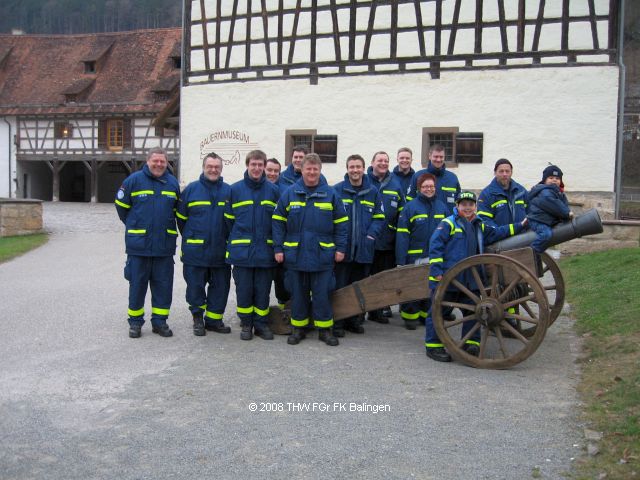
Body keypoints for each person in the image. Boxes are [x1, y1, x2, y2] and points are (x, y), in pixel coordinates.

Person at [425, 191, 526, 362]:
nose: (468, 208)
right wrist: (437, 272)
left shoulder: (480, 225)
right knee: (438, 311)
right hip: (449, 277)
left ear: (475, 207)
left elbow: (497, 233)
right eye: (464, 204)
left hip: (470, 279)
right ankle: (433, 346)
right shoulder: (448, 223)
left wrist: (520, 226)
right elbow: (435, 247)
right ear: (457, 206)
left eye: (471, 205)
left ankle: (471, 343)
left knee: (472, 310)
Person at [272, 153, 348, 346]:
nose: (312, 172)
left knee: (322, 294)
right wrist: (278, 248)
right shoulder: (290, 193)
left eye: (315, 169)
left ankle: (324, 330)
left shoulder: (331, 194)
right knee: (298, 294)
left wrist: (340, 248)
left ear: (320, 170)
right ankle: (298, 329)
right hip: (295, 254)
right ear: (302, 170)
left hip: (322, 255)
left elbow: (341, 224)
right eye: (308, 168)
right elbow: (278, 221)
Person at [115, 147, 180, 338]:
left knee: (163, 286)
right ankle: (135, 323)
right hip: (139, 247)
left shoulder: (172, 183)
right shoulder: (133, 181)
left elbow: (177, 210)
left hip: (164, 247)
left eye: (163, 161)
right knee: (137, 285)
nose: (159, 164)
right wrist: (135, 225)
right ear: (148, 161)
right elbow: (121, 207)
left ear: (167, 163)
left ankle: (160, 322)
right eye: (156, 161)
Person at [175, 152, 233, 336]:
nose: (213, 169)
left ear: (221, 169)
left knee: (221, 287)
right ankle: (198, 318)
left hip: (220, 251)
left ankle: (214, 320)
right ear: (204, 167)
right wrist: (192, 237)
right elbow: (181, 219)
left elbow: (233, 221)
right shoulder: (191, 190)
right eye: (210, 166)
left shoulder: (228, 191)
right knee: (195, 286)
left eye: (217, 167)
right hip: (195, 251)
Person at [226, 150, 280, 340]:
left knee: (263, 291)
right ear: (247, 165)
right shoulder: (235, 190)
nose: (257, 168)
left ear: (264, 167)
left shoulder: (274, 191)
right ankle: (246, 324)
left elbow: (279, 223)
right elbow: (228, 221)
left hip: (266, 251)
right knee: (244, 290)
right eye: (253, 164)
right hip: (243, 253)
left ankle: (261, 324)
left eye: (260, 165)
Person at [333, 154, 386, 336]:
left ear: (364, 169)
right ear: (347, 169)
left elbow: (379, 218)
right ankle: (338, 323)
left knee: (359, 287)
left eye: (358, 167)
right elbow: (331, 218)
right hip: (343, 250)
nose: (355, 170)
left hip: (364, 250)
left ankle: (354, 321)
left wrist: (371, 236)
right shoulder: (337, 191)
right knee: (340, 287)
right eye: (351, 167)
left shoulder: (373, 192)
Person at [395, 173, 448, 330]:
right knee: (412, 288)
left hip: (435, 257)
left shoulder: (442, 207)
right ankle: (410, 317)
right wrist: (401, 260)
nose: (428, 189)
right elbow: (402, 235)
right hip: (415, 256)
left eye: (431, 186)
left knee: (431, 288)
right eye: (425, 186)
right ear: (419, 188)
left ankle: (426, 315)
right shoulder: (409, 208)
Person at [366, 150, 405, 322]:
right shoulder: (364, 182)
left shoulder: (395, 185)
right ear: (372, 163)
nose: (383, 163)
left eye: (386, 161)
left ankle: (377, 311)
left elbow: (402, 214)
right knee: (365, 278)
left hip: (387, 241)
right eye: (379, 160)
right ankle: (359, 311)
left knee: (383, 278)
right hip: (368, 241)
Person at [528, 165, 572, 253]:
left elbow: (564, 204)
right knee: (545, 235)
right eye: (551, 178)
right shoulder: (545, 191)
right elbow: (555, 205)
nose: (554, 180)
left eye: (557, 178)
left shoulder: (559, 193)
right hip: (537, 220)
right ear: (545, 180)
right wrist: (567, 213)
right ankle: (530, 254)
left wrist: (567, 214)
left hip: (546, 220)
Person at [407, 144, 460, 215]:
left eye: (441, 157)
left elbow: (459, 203)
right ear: (429, 156)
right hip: (423, 223)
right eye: (436, 156)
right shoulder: (418, 176)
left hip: (448, 223)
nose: (438, 159)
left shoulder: (452, 178)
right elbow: (409, 201)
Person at [477, 158, 528, 228]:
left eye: (507, 171)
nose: (504, 174)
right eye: (501, 171)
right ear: (495, 173)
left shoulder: (521, 191)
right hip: (501, 238)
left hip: (522, 236)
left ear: (511, 173)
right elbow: (485, 220)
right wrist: (503, 232)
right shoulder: (486, 194)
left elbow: (531, 213)